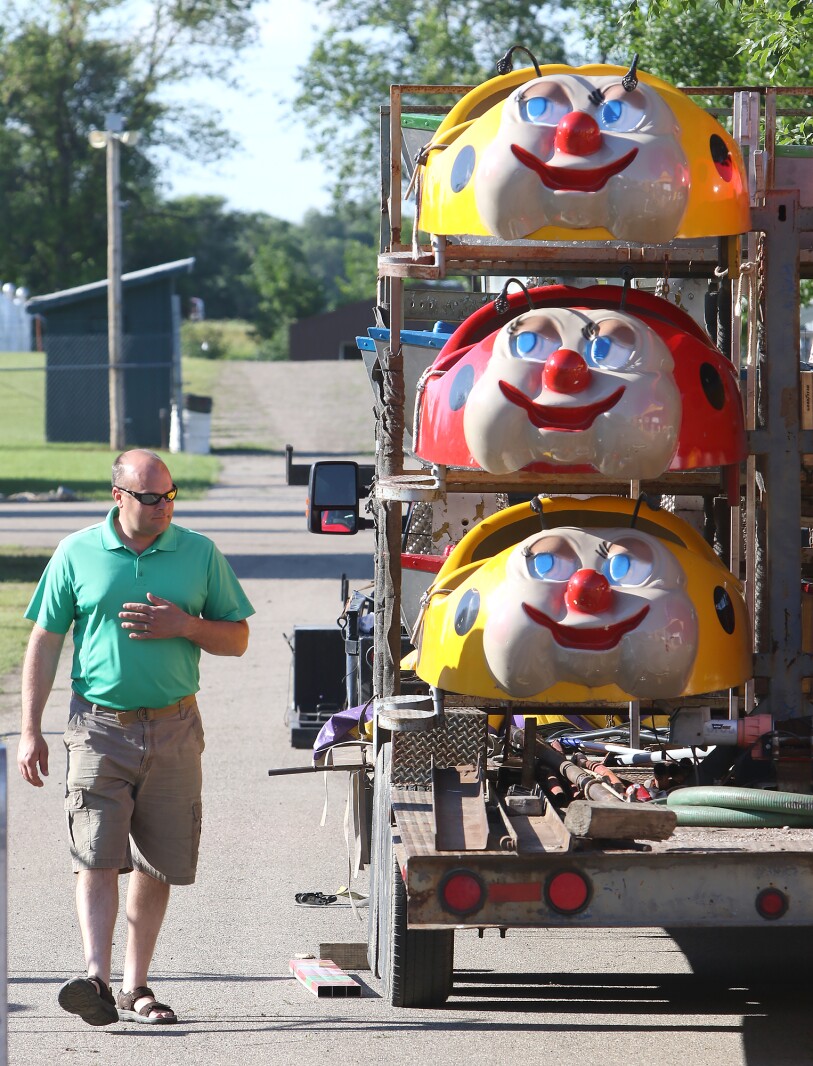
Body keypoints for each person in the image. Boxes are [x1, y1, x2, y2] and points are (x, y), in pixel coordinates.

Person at [17, 448, 254, 1027]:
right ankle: (95, 977)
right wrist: (29, 729)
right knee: (95, 855)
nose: (163, 507)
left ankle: (135, 986)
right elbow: (45, 642)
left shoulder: (198, 553)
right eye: (150, 497)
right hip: (98, 728)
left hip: (175, 728)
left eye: (170, 495)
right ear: (119, 496)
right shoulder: (77, 552)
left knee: (156, 863)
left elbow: (239, 637)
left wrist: (187, 626)